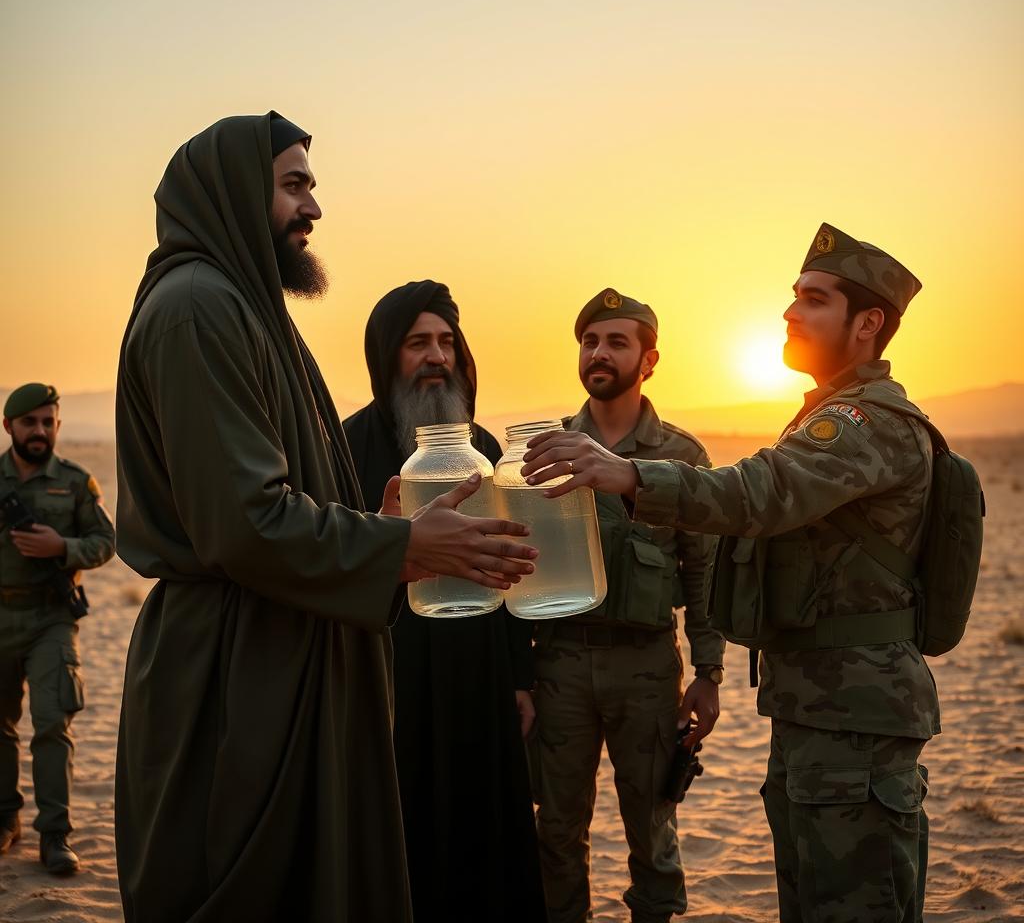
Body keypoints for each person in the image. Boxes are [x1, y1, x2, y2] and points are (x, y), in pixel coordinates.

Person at [113, 112, 536, 923]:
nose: (314, 209)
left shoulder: (243, 309)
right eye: (295, 185)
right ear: (239, 192)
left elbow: (274, 500)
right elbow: (242, 522)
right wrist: (399, 544)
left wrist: (368, 525)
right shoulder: (200, 308)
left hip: (282, 648)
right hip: (237, 671)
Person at [522, 225, 936, 923]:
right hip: (812, 708)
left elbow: (751, 498)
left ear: (868, 324)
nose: (790, 312)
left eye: (813, 299)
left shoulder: (865, 424)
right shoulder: (824, 417)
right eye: (793, 296)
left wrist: (626, 474)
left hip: (849, 716)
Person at [344, 280, 547, 923]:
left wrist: (518, 678)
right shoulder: (347, 448)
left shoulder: (485, 453)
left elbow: (511, 564)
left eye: (446, 342)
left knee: (480, 826)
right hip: (384, 672)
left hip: (476, 670)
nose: (436, 357)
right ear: (386, 356)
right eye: (417, 343)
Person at [530, 290, 723, 923]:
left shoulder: (681, 457)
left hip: (646, 667)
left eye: (617, 341)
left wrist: (709, 673)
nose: (599, 352)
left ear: (649, 359)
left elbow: (703, 573)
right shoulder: (547, 449)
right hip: (560, 665)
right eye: (589, 341)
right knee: (556, 829)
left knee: (652, 824)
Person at [0, 382, 115, 874]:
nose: (41, 431)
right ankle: (6, 819)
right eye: (31, 422)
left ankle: (55, 835)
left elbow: (107, 541)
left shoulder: (75, 482)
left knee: (52, 724)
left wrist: (62, 549)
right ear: (9, 427)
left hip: (51, 618)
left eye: (49, 422)